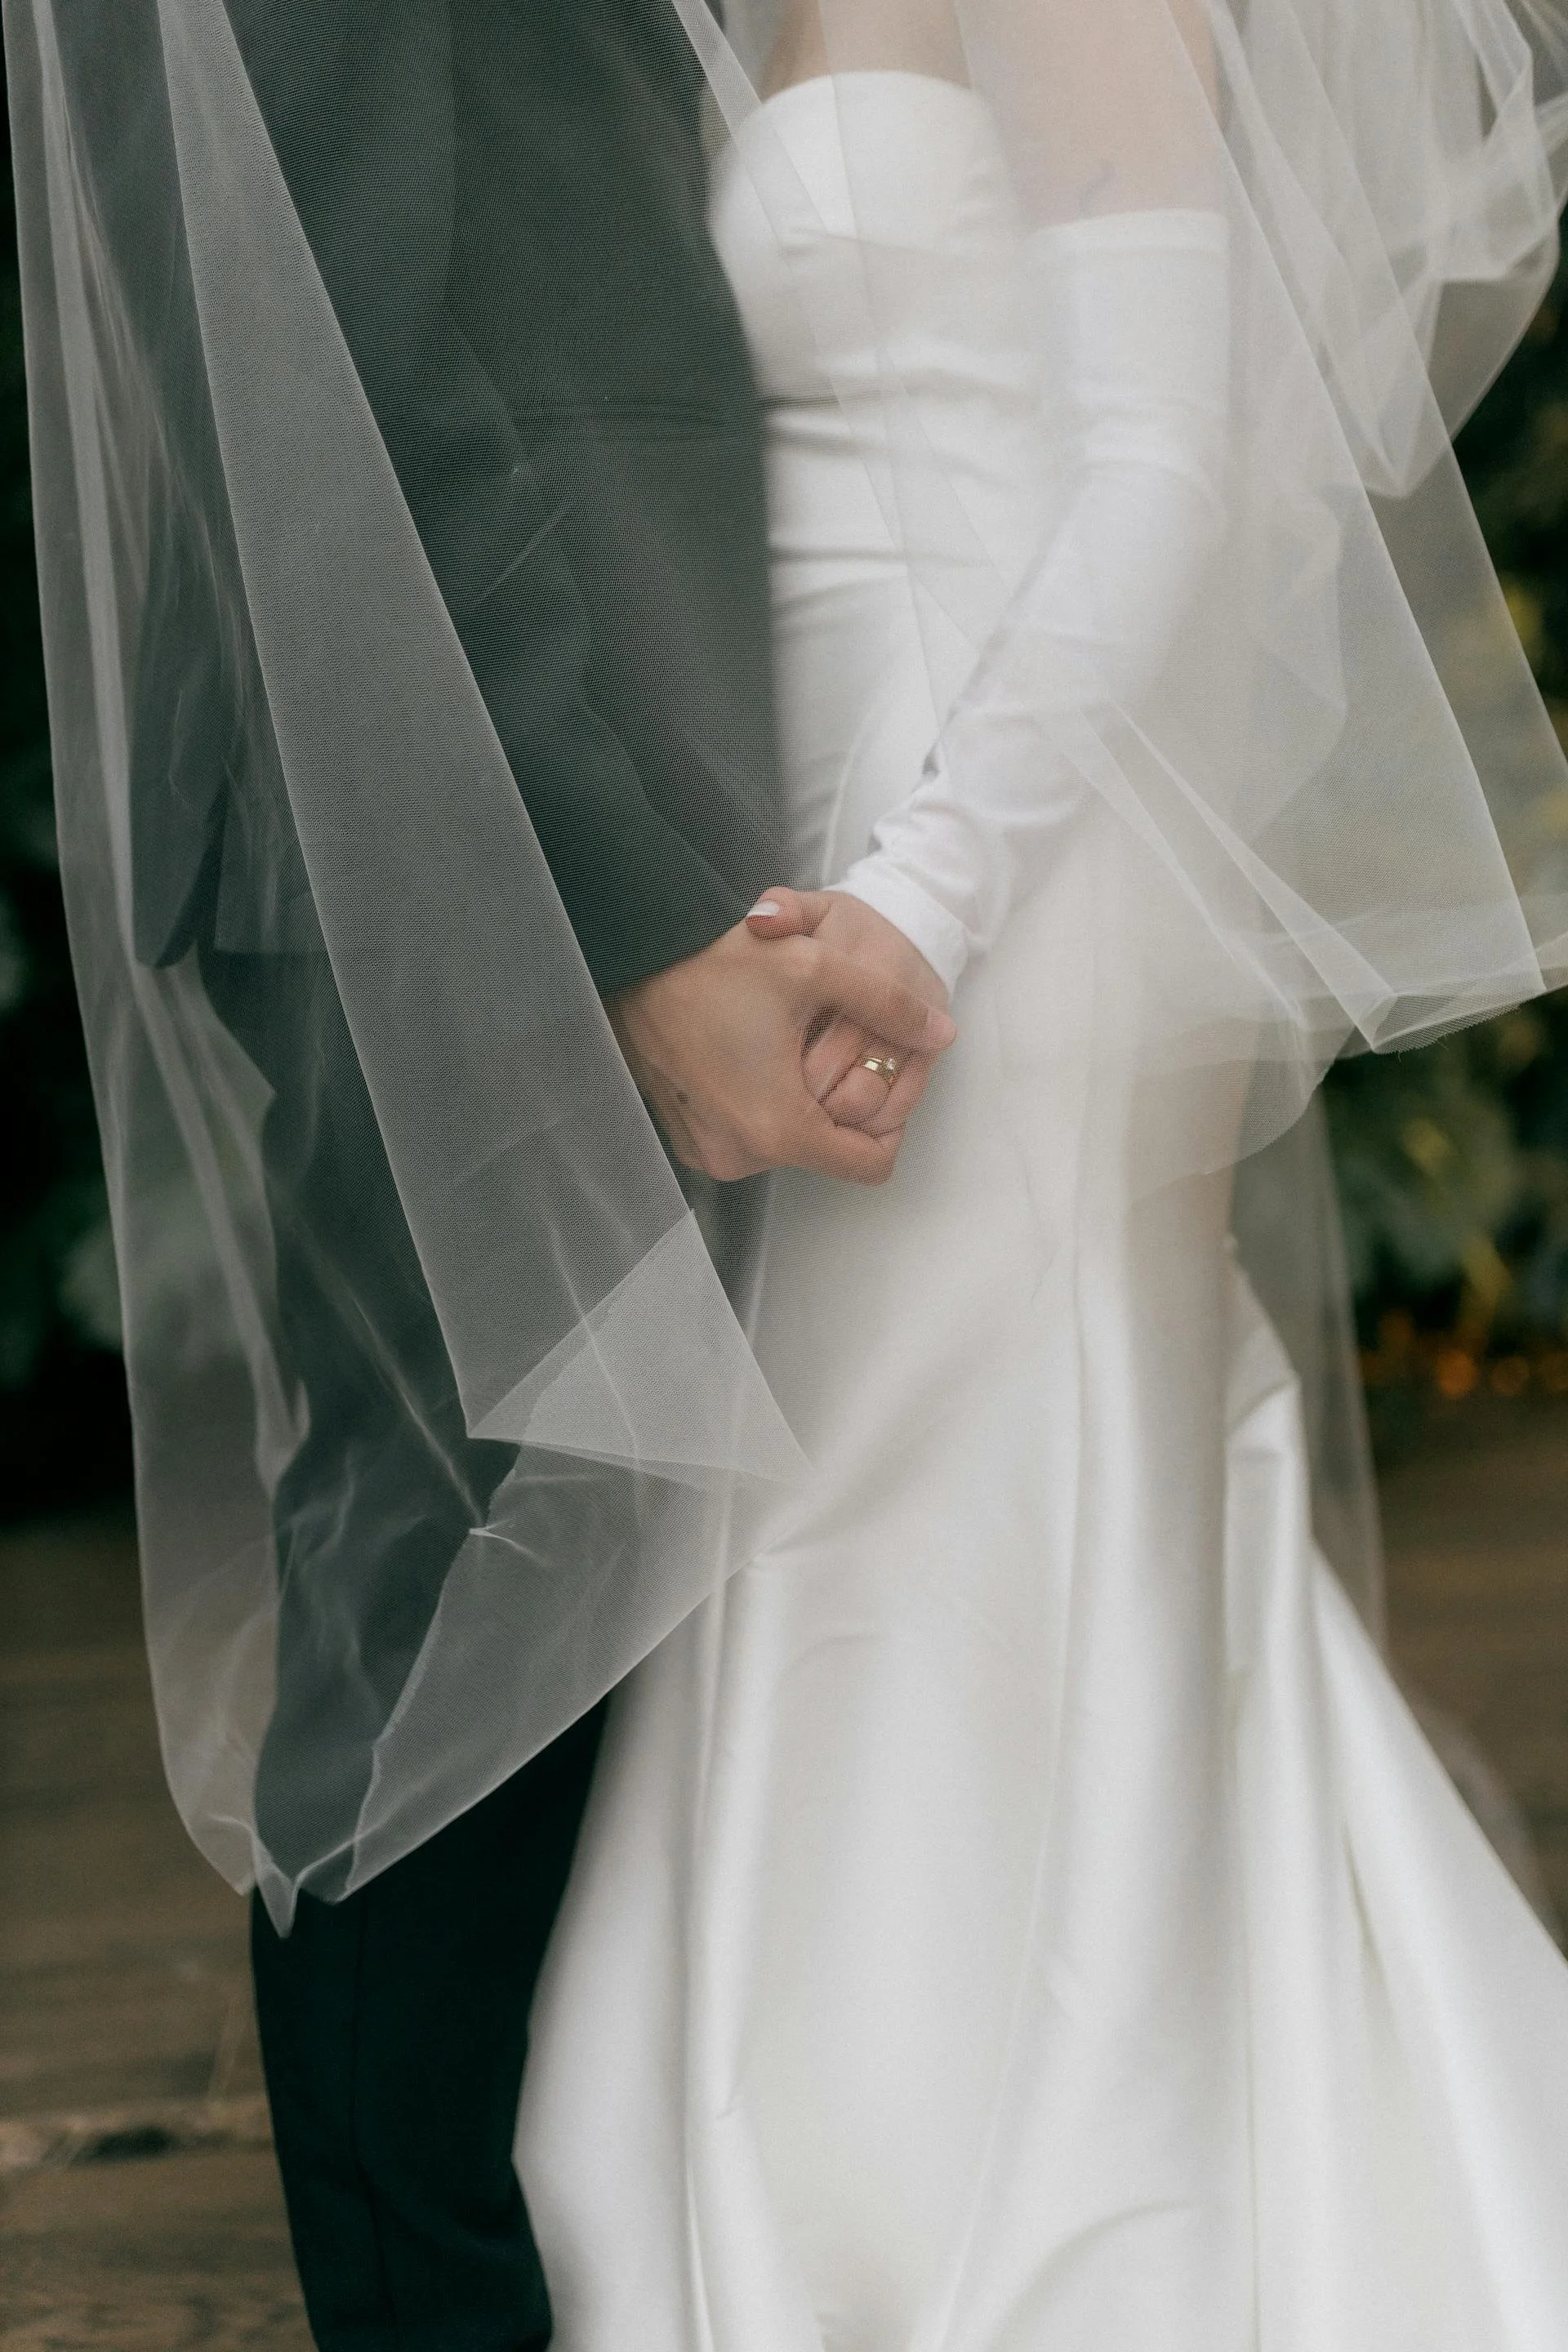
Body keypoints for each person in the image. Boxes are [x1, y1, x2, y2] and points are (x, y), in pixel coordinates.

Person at [13, 0, 1568, 2347]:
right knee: (659, 1570)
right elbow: (383, 301)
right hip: (676, 828)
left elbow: (1168, 446)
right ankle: (725, 2200)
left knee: (953, 1508)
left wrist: (928, 891)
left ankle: (1052, 2199)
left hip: (979, 860)